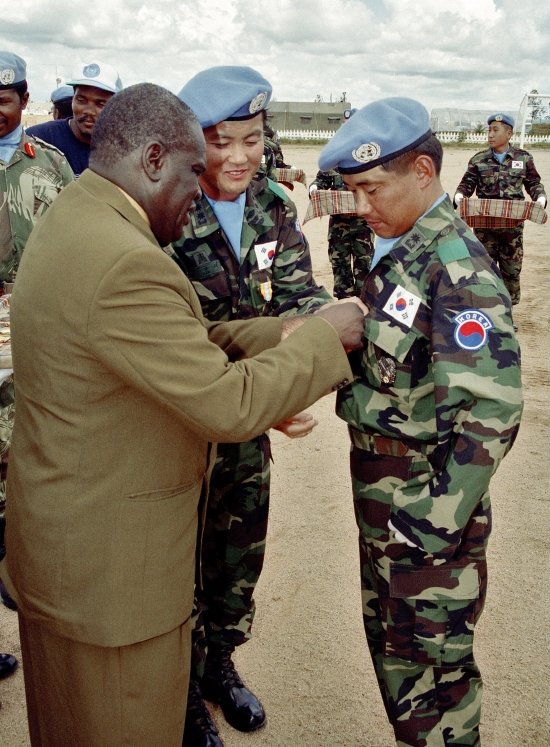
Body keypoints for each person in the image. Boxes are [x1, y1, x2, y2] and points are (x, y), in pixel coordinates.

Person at [1, 82, 364, 747]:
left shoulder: (82, 214)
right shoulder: (126, 261)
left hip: (73, 557)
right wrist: (323, 337)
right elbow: (229, 403)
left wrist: (276, 331)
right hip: (112, 588)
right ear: (154, 158)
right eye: (195, 170)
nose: (202, 189)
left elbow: (175, 343)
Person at [318, 97, 523, 747]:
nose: (364, 205)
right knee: (398, 659)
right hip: (388, 499)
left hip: (423, 511)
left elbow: (491, 409)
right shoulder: (405, 251)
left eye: (373, 189)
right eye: (355, 191)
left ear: (424, 172)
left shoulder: (456, 264)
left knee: (434, 672)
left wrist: (434, 523)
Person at [171, 66, 333, 747]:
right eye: (221, 140)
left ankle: (218, 667)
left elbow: (301, 299)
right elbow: (172, 336)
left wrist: (294, 381)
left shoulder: (271, 205)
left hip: (252, 423)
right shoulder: (164, 210)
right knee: (176, 559)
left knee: (238, 553)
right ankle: (176, 692)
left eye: (253, 138)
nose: (240, 156)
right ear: (189, 143)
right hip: (178, 424)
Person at [0, 50, 74, 616]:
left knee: (29, 451)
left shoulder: (49, 165)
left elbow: (76, 242)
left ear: (24, 102)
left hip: (33, 330)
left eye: (3, 100)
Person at [454, 113, 546, 307]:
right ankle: (484, 312)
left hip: (512, 230)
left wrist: (540, 197)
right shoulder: (478, 160)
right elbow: (466, 185)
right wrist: (459, 196)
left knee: (511, 272)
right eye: (489, 130)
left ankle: (507, 314)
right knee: (482, 270)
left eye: (495, 130)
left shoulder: (523, 158)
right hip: (484, 229)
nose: (490, 134)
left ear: (509, 133)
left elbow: (533, 183)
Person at [26, 60, 122, 177]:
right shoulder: (38, 139)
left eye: (100, 104)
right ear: (73, 99)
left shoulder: (124, 147)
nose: (89, 111)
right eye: (81, 101)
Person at [310, 164, 374, 298]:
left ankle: (365, 299)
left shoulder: (366, 165)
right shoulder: (332, 166)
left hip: (363, 224)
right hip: (339, 226)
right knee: (340, 263)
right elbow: (320, 181)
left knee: (364, 263)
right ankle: (344, 299)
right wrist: (314, 188)